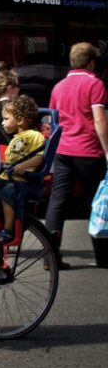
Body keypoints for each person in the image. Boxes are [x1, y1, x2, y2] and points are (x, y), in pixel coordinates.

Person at [45, 42, 108, 270]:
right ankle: (103, 257)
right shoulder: (95, 84)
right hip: (89, 152)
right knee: (97, 203)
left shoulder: (58, 87)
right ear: (91, 62)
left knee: (57, 203)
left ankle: (50, 257)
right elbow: (100, 119)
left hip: (63, 152)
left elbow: (53, 122)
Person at [0, 95, 45, 245]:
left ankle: (7, 229)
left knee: (8, 191)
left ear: (20, 120)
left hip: (22, 181)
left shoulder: (34, 136)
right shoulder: (15, 138)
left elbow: (39, 157)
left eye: (6, 119)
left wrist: (24, 166)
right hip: (7, 177)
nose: (2, 123)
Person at [0, 69, 20, 145]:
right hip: (10, 152)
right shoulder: (11, 108)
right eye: (17, 86)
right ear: (9, 88)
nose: (19, 89)